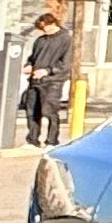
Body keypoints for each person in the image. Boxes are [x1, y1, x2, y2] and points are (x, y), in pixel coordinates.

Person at [22, 12, 75, 148]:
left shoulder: (66, 39)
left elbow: (66, 63)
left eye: (47, 27)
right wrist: (29, 65)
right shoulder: (41, 40)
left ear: (53, 23)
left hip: (53, 81)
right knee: (32, 111)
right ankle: (32, 139)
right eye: (43, 28)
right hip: (35, 80)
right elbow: (33, 57)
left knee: (50, 110)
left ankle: (52, 140)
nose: (46, 30)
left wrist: (47, 71)